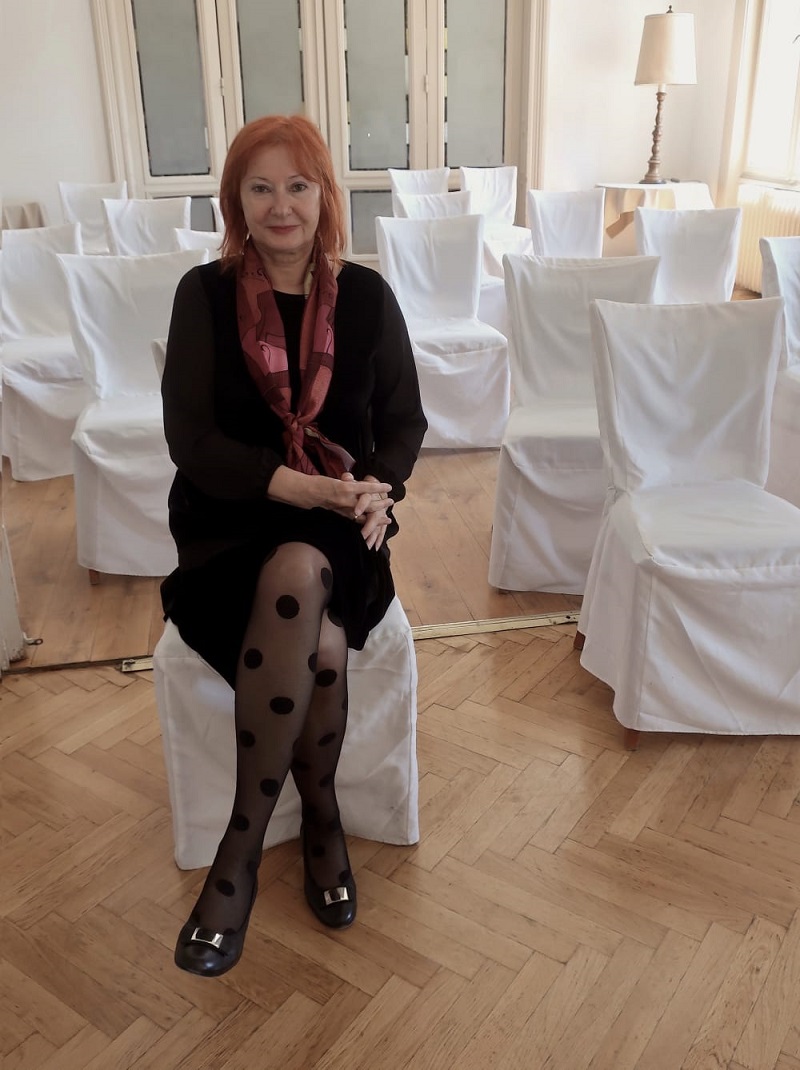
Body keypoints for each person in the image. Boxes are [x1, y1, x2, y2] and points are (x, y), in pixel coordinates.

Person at [160, 114, 427, 978]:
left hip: (341, 526)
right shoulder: (203, 295)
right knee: (313, 622)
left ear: (324, 197)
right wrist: (299, 487)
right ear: (236, 201)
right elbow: (192, 441)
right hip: (229, 521)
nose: (282, 205)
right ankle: (318, 821)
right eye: (261, 187)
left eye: (299, 186)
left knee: (308, 574)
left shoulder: (368, 298)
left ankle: (239, 859)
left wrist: (379, 488)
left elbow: (404, 423)